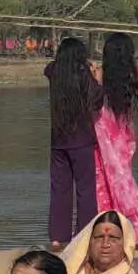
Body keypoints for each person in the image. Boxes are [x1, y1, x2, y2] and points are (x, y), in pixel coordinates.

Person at [89, 32, 138, 247]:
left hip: (102, 134)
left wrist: (96, 80)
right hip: (123, 135)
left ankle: (110, 229)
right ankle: (133, 229)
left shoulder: (100, 75)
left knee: (104, 181)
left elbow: (92, 99)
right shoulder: (133, 75)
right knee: (123, 178)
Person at [44, 37, 103, 248]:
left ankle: (58, 237)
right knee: (85, 190)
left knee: (59, 189)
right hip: (81, 140)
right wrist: (96, 76)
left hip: (58, 141)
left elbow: (48, 67)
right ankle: (85, 234)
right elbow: (97, 101)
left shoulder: (54, 72)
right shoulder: (83, 75)